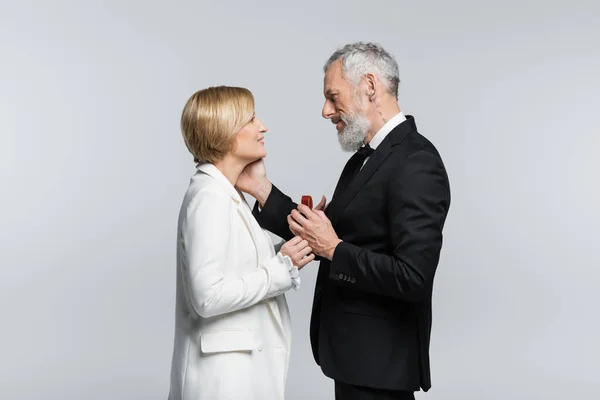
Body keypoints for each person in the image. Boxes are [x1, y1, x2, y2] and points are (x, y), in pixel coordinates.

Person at [235, 42, 451, 399]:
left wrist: (335, 248)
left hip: (381, 367)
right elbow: (327, 237)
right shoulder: (364, 158)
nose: (325, 111)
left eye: (333, 97)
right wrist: (261, 189)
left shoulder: (416, 162)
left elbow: (413, 277)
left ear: (369, 86)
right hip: (355, 359)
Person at [167, 86, 313, 400]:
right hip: (224, 381)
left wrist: (286, 253)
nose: (262, 127)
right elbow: (207, 296)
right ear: (224, 132)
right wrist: (281, 268)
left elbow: (235, 267)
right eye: (251, 120)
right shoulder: (209, 197)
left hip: (236, 376)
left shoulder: (225, 193)